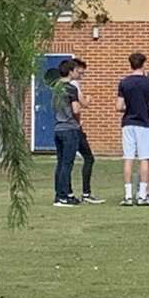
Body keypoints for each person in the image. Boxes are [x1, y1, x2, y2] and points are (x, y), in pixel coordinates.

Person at [116, 51, 149, 206]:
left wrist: (129, 106)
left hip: (128, 122)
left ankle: (128, 195)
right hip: (144, 123)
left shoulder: (124, 83)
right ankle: (142, 195)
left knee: (128, 158)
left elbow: (119, 106)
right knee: (144, 158)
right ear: (143, 64)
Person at [68, 59, 103, 203]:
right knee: (88, 158)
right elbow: (82, 104)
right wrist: (88, 98)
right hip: (74, 127)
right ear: (74, 70)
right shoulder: (74, 85)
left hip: (70, 126)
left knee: (66, 161)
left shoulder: (62, 85)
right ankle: (85, 193)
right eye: (81, 71)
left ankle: (68, 192)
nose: (83, 74)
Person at [50, 59, 82, 207]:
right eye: (75, 70)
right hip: (69, 127)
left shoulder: (56, 87)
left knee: (61, 162)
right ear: (70, 72)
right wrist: (78, 121)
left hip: (58, 128)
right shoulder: (71, 88)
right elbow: (76, 109)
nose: (77, 73)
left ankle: (62, 193)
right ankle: (62, 196)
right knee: (67, 164)